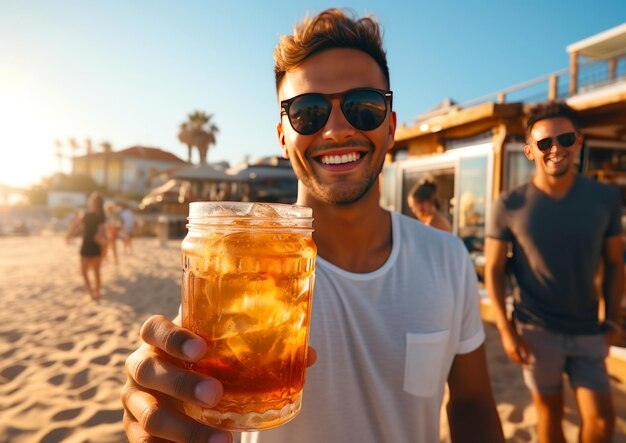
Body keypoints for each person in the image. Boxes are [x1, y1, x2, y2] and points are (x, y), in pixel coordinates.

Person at [121, 8, 504, 443]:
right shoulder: (238, 268)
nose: (337, 130)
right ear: (283, 135)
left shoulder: (446, 257)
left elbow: (472, 402)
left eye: (364, 107)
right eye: (308, 112)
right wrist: (158, 401)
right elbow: (188, 379)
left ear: (391, 127)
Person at [484, 102, 625, 443]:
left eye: (565, 139)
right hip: (536, 330)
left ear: (578, 141)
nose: (556, 149)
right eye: (545, 143)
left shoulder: (605, 198)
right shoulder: (509, 204)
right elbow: (494, 268)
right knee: (548, 415)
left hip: (588, 329)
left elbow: (615, 262)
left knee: (602, 424)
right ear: (530, 150)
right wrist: (505, 330)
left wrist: (613, 321)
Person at [66, 191, 107, 301]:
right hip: (97, 247)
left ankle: (91, 293)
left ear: (92, 203)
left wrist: (69, 236)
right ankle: (97, 293)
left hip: (86, 245)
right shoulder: (102, 217)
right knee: (97, 272)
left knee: (84, 272)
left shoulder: (86, 215)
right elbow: (103, 234)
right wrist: (104, 248)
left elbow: (76, 226)